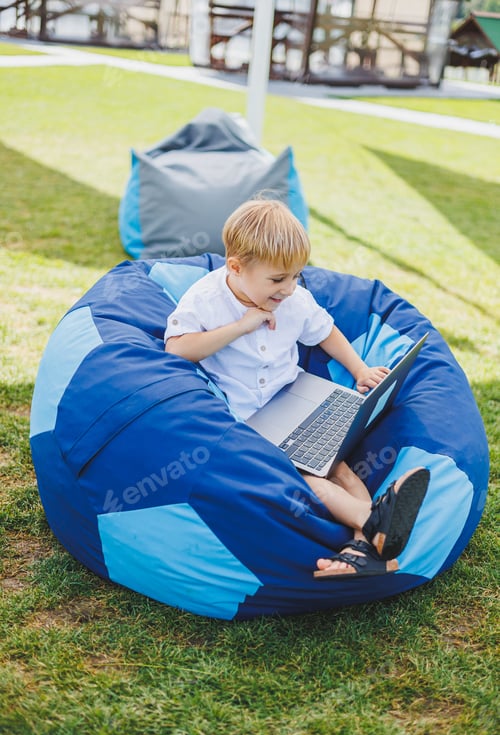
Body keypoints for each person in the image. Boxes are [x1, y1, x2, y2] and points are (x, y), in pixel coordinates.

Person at [164, 199, 429, 578]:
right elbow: (177, 348)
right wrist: (242, 325)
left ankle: (366, 546)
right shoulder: (206, 299)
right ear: (236, 267)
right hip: (250, 421)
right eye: (277, 280)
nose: (289, 289)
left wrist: (360, 370)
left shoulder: (294, 299)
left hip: (295, 398)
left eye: (295, 276)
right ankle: (373, 521)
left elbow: (326, 332)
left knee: (335, 466)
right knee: (308, 479)